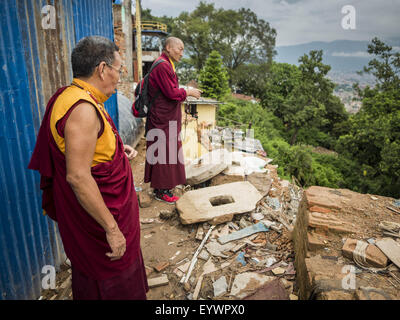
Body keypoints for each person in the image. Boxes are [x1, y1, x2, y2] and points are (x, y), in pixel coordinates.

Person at [28, 36, 147, 300]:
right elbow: (79, 176)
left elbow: (85, 152)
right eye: (118, 69)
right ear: (102, 69)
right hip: (99, 227)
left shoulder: (70, 95)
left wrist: (117, 151)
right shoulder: (82, 109)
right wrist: (112, 230)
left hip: (97, 215)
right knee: (112, 284)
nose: (119, 77)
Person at [144, 37, 201, 203]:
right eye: (180, 49)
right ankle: (162, 191)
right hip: (162, 118)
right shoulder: (162, 65)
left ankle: (163, 187)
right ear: (168, 47)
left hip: (165, 117)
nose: (182, 53)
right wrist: (189, 92)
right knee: (164, 153)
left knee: (167, 152)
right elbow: (172, 93)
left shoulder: (165, 63)